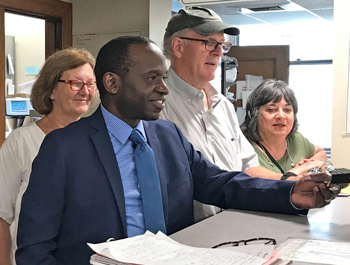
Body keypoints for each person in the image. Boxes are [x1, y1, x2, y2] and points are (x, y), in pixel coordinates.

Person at [16, 36, 337, 265]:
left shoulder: (167, 136)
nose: (164, 88)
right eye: (152, 78)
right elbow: (35, 247)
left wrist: (291, 193)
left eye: (165, 77)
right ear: (112, 84)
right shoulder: (63, 147)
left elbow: (221, 184)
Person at [160, 6, 311, 221]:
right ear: (178, 47)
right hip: (187, 236)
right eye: (209, 43)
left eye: (222, 45)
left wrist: (290, 186)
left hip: (233, 226)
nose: (219, 52)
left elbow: (246, 169)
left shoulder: (223, 106)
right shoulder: (157, 105)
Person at [0, 47, 96, 265]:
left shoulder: (95, 141)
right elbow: (2, 215)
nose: (85, 91)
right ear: (52, 89)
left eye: (90, 84)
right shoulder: (20, 142)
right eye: (76, 83)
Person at [240, 79, 327, 175]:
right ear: (254, 114)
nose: (281, 116)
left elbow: (320, 153)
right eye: (271, 109)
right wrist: (295, 173)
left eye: (287, 110)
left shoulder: (295, 139)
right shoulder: (244, 148)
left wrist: (308, 167)